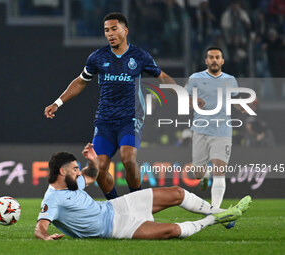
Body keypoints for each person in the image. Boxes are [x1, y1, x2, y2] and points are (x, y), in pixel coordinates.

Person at [44, 12, 176, 200]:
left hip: (130, 118)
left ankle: (137, 204)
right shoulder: (98, 57)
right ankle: (116, 207)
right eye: (106, 30)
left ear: (125, 30)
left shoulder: (139, 56)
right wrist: (58, 102)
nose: (110, 33)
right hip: (105, 121)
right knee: (99, 168)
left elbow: (162, 77)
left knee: (128, 160)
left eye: (114, 29)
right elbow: (81, 81)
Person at [34, 143, 251, 240]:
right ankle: (216, 218)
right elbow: (40, 228)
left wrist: (92, 161)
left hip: (117, 206)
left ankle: (221, 213)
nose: (78, 173)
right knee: (173, 231)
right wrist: (45, 238)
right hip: (116, 227)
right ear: (62, 172)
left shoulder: (73, 182)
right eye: (74, 169)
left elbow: (91, 175)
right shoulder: (53, 199)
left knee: (177, 192)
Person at [185, 47, 248, 228]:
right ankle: (204, 177)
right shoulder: (196, 78)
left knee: (219, 170)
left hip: (222, 133)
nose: (214, 60)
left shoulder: (230, 80)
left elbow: (234, 101)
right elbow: (184, 98)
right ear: (206, 61)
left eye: (217, 57)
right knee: (198, 173)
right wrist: (192, 102)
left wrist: (241, 107)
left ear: (222, 61)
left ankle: (216, 214)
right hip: (200, 131)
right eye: (211, 57)